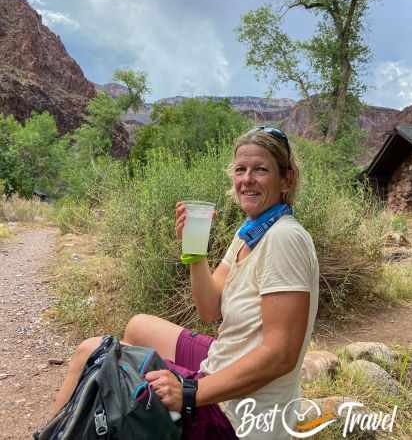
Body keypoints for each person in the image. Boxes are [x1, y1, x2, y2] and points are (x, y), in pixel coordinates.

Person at [52, 126, 319, 439]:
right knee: (139, 326)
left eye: (260, 170)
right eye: (241, 169)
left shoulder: (285, 238)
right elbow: (209, 309)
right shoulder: (251, 231)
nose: (247, 179)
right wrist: (193, 251)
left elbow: (280, 355)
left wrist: (190, 391)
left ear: (286, 180)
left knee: (90, 352)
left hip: (241, 415)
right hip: (223, 359)